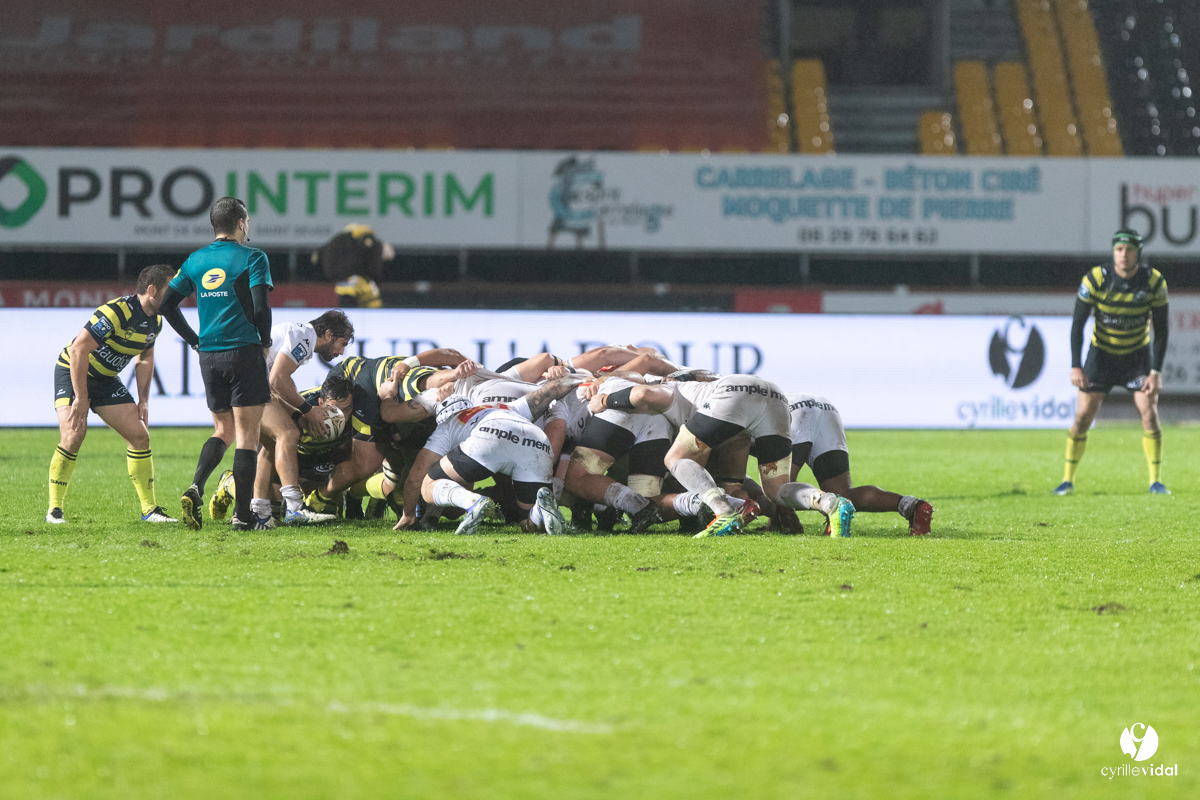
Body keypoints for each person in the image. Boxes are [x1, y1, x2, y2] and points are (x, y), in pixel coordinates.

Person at [159, 196, 275, 530]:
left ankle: (196, 486)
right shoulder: (253, 257)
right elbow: (261, 308)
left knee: (222, 429)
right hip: (244, 352)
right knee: (247, 436)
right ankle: (242, 515)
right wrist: (264, 342)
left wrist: (195, 341)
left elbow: (167, 305)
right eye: (247, 222)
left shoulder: (195, 260)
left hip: (209, 357)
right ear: (241, 223)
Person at [46, 265, 178, 524]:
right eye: (169, 290)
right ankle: (54, 510)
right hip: (73, 372)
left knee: (140, 436)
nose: (175, 295)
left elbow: (145, 357)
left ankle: (149, 510)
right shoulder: (117, 311)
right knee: (73, 435)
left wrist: (144, 401)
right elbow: (78, 352)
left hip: (105, 380)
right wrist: (82, 399)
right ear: (151, 290)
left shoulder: (157, 321)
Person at [1057, 229, 1170, 495]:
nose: (1123, 255)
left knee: (1150, 415)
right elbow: (1077, 324)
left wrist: (1156, 371)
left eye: (1129, 250)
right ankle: (1067, 480)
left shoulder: (1153, 282)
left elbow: (1162, 330)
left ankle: (1156, 481)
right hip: (1102, 357)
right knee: (1083, 417)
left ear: (1137, 253)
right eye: (1119, 250)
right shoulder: (1096, 279)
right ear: (1113, 252)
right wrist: (1076, 365)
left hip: (1137, 357)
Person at [235, 310, 354, 526]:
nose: (341, 351)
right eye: (341, 343)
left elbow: (276, 386)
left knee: (272, 443)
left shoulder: (298, 334)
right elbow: (278, 380)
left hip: (243, 384)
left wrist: (299, 415)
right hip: (249, 387)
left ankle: (260, 512)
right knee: (288, 434)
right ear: (328, 333)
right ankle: (295, 509)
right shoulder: (304, 337)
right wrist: (309, 411)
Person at [771, 393, 933, 535]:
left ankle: (784, 522)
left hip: (795, 410)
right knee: (842, 493)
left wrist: (777, 517)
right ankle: (912, 506)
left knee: (780, 487)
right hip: (826, 408)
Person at [311, 224, 395, 308]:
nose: (383, 260)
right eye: (384, 259)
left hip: (342, 280)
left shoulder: (341, 240)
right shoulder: (372, 244)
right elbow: (374, 267)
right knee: (371, 301)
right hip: (350, 282)